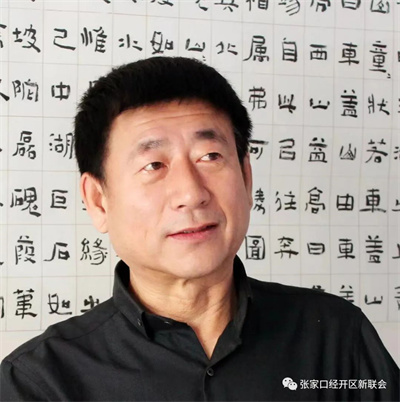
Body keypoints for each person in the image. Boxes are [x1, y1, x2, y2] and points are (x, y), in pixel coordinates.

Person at [1, 56, 399, 401]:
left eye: (210, 156)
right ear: (98, 201)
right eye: (154, 165)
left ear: (246, 177)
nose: (191, 193)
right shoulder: (41, 381)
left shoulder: (336, 337)